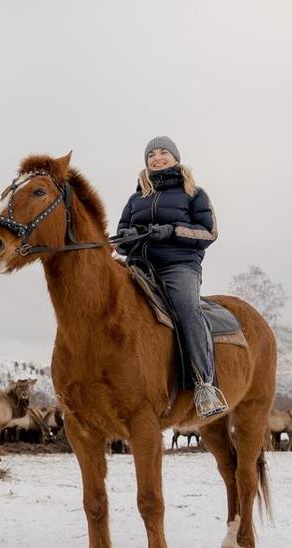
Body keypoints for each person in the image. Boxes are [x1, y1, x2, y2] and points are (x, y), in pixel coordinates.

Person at [115, 136, 228, 417]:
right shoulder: (135, 198)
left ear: (176, 158)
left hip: (179, 266)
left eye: (163, 152)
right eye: (151, 155)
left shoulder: (194, 193)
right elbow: (118, 241)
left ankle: (205, 386)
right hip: (139, 266)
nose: (157, 158)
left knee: (187, 310)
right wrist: (126, 239)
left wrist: (173, 230)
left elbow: (209, 232)